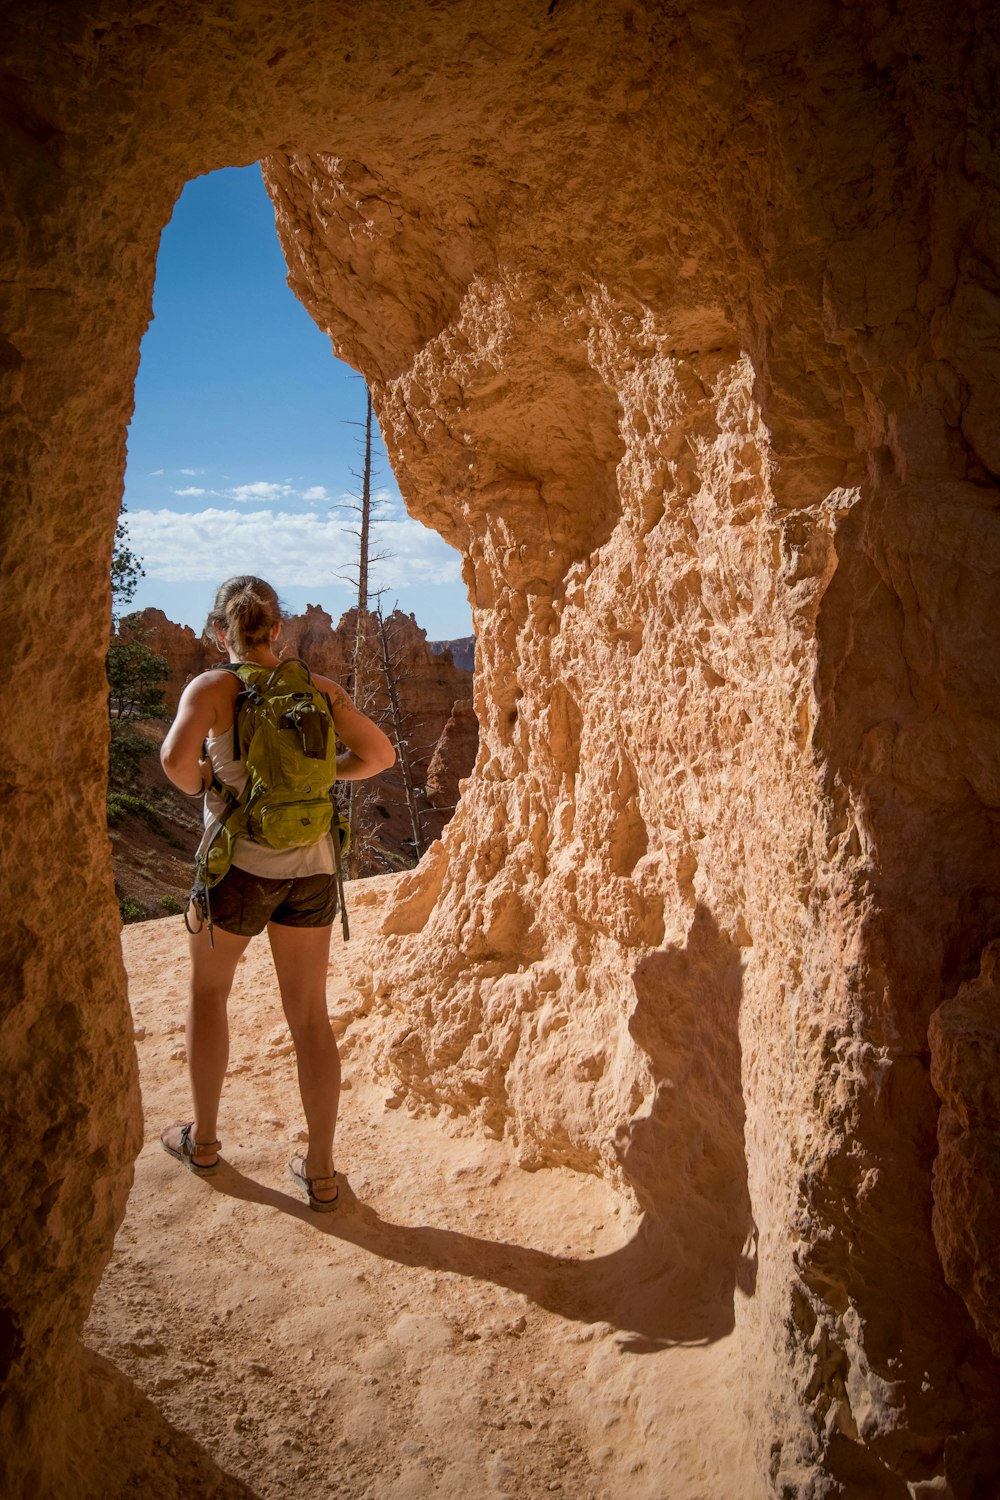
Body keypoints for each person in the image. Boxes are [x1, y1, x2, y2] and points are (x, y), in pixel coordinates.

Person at [158, 576, 395, 1210]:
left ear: (220, 632)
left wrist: (210, 779)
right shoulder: (319, 690)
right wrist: (325, 774)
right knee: (310, 1017)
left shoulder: (212, 688)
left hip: (239, 866)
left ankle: (203, 1141)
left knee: (209, 994)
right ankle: (320, 1172)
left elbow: (175, 766)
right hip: (313, 869)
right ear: (278, 630)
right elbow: (379, 755)